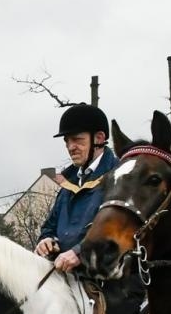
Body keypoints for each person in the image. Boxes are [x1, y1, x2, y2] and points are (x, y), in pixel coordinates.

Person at [37, 104, 117, 269]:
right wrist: (46, 240)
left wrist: (80, 252)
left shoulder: (118, 177)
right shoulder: (69, 183)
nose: (70, 147)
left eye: (77, 140)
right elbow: (49, 226)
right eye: (67, 141)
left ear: (99, 139)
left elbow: (117, 230)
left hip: (111, 282)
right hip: (69, 276)